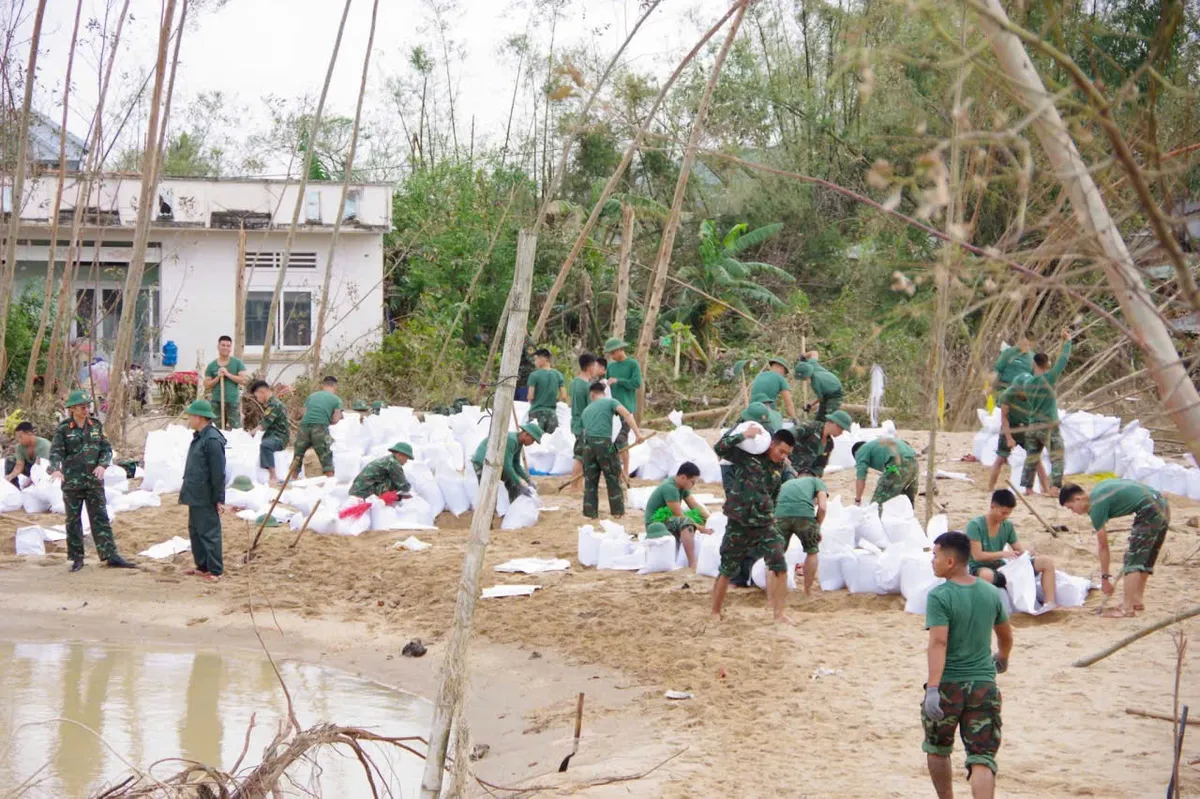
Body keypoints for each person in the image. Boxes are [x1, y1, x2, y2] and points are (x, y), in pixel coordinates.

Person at [922, 531, 1012, 799]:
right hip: (984, 684)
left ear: (950, 562)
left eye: (935, 555)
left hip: (949, 684)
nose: (932, 561)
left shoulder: (939, 596)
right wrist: (1002, 657)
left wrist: (933, 688)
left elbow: (938, 642)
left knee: (938, 747)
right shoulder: (989, 592)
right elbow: (1006, 634)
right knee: (982, 757)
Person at [711, 425, 796, 623]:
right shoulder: (749, 456)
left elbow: (775, 494)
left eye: (787, 453)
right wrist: (744, 435)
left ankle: (779, 614)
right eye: (780, 451)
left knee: (780, 565)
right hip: (739, 522)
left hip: (764, 523)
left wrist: (771, 513)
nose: (783, 456)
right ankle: (715, 611)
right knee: (727, 568)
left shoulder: (781, 467)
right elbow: (719, 448)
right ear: (771, 444)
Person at [49, 390, 136, 572]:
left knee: (100, 518)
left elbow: (106, 449)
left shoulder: (95, 425)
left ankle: (110, 555)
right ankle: (77, 558)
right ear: (72, 409)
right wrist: (56, 468)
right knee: (73, 520)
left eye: (88, 406)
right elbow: (56, 452)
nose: (86, 410)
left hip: (94, 481)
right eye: (82, 407)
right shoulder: (64, 428)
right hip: (73, 482)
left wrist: (103, 465)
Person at [1060, 479, 1170, 618]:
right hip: (1162, 503)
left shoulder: (1095, 506)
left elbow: (1103, 546)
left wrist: (1105, 578)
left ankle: (1127, 608)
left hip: (1149, 508)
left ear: (1078, 498)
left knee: (1133, 560)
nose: (1073, 512)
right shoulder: (1098, 490)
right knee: (1146, 556)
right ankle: (1136, 600)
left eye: (1071, 507)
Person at [965, 489, 1057, 609]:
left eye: (1008, 513)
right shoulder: (975, 525)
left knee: (1046, 562)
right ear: (992, 507)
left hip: (1003, 567)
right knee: (985, 575)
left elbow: (1018, 549)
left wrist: (1026, 554)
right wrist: (1003, 554)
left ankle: (1049, 604)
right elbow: (977, 556)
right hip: (981, 568)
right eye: (1003, 513)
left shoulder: (1007, 525)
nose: (1006, 516)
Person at [1013, 329, 1072, 496]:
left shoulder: (1027, 383)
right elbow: (1063, 361)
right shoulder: (1048, 379)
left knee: (1031, 458)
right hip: (1048, 425)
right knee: (1057, 456)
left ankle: (1028, 488)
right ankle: (1054, 488)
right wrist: (1067, 342)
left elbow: (1039, 371)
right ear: (1047, 366)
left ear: (1033, 365)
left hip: (1033, 426)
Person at [180, 399, 226, 582]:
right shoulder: (199, 436)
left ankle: (215, 570)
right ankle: (202, 565)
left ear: (199, 417)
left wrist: (218, 498)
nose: (189, 419)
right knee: (196, 530)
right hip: (194, 492)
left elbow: (218, 472)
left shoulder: (212, 440)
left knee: (209, 532)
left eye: (191, 416)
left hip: (205, 494)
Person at [579, 383, 642, 518]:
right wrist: (637, 434)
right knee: (612, 477)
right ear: (604, 393)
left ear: (592, 394)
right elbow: (626, 414)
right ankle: (617, 512)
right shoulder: (610, 402)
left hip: (588, 445)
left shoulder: (586, 410)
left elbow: (584, 431)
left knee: (590, 481)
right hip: (604, 444)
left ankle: (590, 513)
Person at [988, 376, 1048, 493]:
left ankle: (1044, 489)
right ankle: (990, 488)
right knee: (1001, 458)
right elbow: (1004, 418)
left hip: (1027, 427)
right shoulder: (1007, 395)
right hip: (1011, 427)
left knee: (1036, 459)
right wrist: (1009, 438)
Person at [644, 462, 710, 568]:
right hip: (656, 524)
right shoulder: (670, 488)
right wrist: (702, 529)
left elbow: (694, 504)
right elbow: (679, 515)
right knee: (686, 522)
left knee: (699, 518)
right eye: (692, 482)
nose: (693, 486)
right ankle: (692, 561)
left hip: (669, 518)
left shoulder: (680, 485)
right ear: (684, 477)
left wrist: (711, 519)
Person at [775, 469, 827, 597]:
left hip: (780, 515)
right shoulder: (817, 481)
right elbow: (822, 507)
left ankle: (774, 593)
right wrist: (817, 526)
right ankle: (807, 591)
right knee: (812, 551)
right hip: (805, 515)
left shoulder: (785, 484)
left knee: (776, 555)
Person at [473, 422, 543, 502]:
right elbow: (507, 465)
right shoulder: (511, 440)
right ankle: (490, 513)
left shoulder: (519, 443)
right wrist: (519, 484)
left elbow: (516, 464)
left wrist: (528, 480)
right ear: (526, 434)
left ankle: (514, 506)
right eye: (533, 440)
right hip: (483, 463)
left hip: (494, 464)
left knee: (512, 482)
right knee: (489, 491)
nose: (532, 443)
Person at [604, 338, 642, 477]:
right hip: (612, 409)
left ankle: (625, 471)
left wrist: (619, 381)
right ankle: (619, 471)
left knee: (621, 440)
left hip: (626, 408)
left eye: (613, 352)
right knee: (614, 441)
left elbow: (636, 383)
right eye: (610, 353)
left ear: (621, 350)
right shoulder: (611, 367)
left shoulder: (632, 364)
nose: (612, 356)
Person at [293, 376, 343, 478]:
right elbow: (336, 419)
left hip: (304, 426)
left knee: (298, 455)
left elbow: (304, 412)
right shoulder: (336, 400)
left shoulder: (312, 396)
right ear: (335, 386)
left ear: (323, 385)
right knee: (325, 455)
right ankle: (330, 481)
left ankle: (292, 479)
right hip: (320, 427)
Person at [852, 437, 919, 507]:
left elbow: (861, 478)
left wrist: (858, 500)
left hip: (897, 463)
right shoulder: (875, 446)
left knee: (877, 505)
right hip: (914, 462)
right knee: (905, 504)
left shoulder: (861, 451)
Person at [568, 353, 603, 482]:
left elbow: (570, 403)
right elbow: (592, 408)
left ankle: (577, 485)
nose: (596, 369)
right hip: (584, 425)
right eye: (595, 366)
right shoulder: (587, 387)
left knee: (581, 455)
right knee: (580, 457)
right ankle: (575, 485)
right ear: (590, 367)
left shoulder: (574, 383)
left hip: (576, 421)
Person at [789, 409, 853, 476]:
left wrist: (811, 476)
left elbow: (820, 467)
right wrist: (785, 458)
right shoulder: (810, 427)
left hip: (802, 475)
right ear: (834, 423)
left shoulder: (829, 445)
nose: (841, 433)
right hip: (787, 469)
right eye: (841, 429)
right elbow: (786, 435)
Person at [203, 335, 248, 429]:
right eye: (223, 345)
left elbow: (244, 380)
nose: (226, 348)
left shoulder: (237, 363)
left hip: (233, 401)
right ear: (218, 346)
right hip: (216, 401)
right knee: (216, 429)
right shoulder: (212, 365)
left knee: (236, 429)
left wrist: (228, 374)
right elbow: (206, 384)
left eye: (228, 346)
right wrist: (217, 378)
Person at [249, 380, 290, 482]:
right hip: (272, 434)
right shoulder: (271, 404)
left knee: (265, 445)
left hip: (279, 436)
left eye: (257, 396)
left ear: (262, 392)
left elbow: (263, 425)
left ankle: (273, 476)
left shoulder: (274, 405)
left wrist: (251, 433)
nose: (257, 400)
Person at [749, 357, 799, 430]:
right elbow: (789, 404)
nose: (783, 375)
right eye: (784, 373)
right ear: (782, 368)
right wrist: (795, 419)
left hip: (751, 412)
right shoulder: (780, 378)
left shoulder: (759, 376)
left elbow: (751, 395)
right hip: (766, 414)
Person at [527, 348, 566, 434]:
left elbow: (530, 396)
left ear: (544, 359)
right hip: (552, 414)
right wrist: (554, 401)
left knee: (533, 442)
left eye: (536, 359)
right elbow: (563, 395)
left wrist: (533, 401)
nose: (535, 362)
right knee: (550, 444)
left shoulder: (534, 375)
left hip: (536, 413)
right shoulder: (558, 375)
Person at [794, 355, 842, 422]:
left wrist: (810, 406)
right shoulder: (812, 364)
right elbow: (814, 353)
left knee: (830, 418)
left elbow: (821, 399)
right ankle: (819, 424)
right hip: (830, 386)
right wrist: (804, 355)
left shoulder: (815, 382)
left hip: (835, 394)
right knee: (819, 418)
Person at [5, 421, 50, 487]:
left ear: (29, 434)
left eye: (20, 437)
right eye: (17, 437)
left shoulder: (44, 445)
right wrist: (10, 476)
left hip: (45, 471)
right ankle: (13, 488)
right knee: (10, 460)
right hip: (31, 469)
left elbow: (42, 467)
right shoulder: (20, 447)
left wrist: (27, 484)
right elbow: (19, 465)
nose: (18, 440)